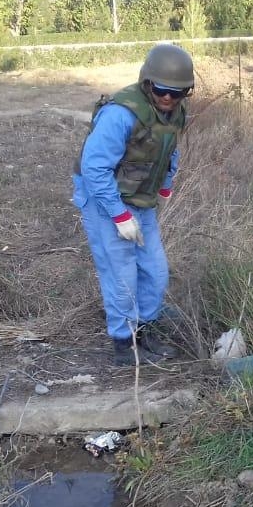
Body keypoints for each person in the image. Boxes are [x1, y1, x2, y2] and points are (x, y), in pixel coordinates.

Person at [72, 43, 194, 366]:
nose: (168, 98)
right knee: (121, 274)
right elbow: (93, 168)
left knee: (155, 271)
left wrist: (165, 187)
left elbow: (170, 149)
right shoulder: (120, 114)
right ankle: (124, 343)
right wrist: (120, 215)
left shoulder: (175, 112)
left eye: (177, 93)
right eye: (162, 90)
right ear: (147, 82)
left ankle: (145, 330)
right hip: (103, 197)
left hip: (140, 198)